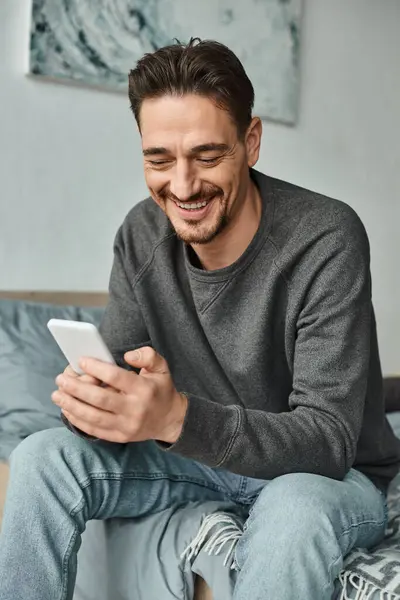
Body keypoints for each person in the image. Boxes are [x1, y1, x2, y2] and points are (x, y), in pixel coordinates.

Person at [0, 38, 399, 600]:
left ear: (251, 142)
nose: (183, 187)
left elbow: (329, 441)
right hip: (198, 460)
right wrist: (96, 408)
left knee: (292, 508)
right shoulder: (141, 235)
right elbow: (123, 380)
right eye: (159, 159)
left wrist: (176, 418)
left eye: (208, 157)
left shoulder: (326, 238)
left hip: (326, 476)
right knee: (38, 455)